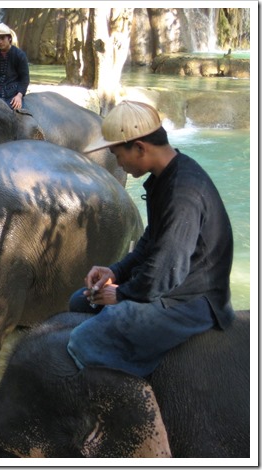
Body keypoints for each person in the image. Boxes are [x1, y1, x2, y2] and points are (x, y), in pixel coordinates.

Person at [66, 100, 235, 377]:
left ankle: (138, 413)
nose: (118, 163)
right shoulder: (163, 178)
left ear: (140, 148)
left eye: (117, 154)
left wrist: (121, 294)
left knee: (83, 342)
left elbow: (167, 270)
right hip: (171, 284)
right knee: (81, 301)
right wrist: (116, 271)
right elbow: (152, 241)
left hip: (192, 300)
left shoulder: (183, 191)